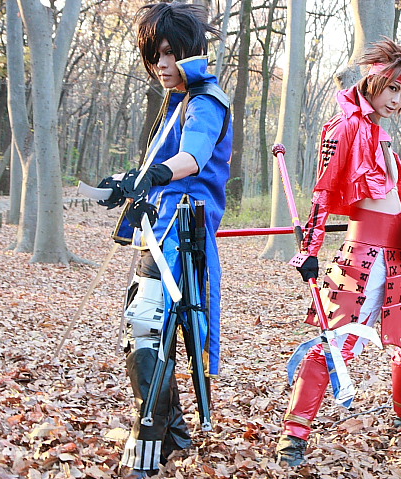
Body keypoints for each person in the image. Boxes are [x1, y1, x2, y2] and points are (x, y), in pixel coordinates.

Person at [276, 39, 401, 467]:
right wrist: (309, 250)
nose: (397, 99)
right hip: (365, 258)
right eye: (393, 88)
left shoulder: (381, 135)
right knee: (335, 344)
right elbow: (322, 193)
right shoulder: (345, 127)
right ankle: (294, 435)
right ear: (374, 80)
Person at [95, 3, 232, 478]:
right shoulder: (179, 101)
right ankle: (172, 430)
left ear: (192, 51)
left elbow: (193, 157)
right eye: (156, 55)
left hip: (183, 228)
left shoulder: (205, 100)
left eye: (172, 53)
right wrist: (130, 181)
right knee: (143, 328)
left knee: (149, 326)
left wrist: (152, 175)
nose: (162, 64)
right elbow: (166, 161)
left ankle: (149, 444)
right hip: (160, 225)